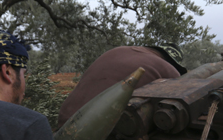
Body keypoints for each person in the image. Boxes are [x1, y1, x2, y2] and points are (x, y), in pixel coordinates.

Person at [57, 43, 187, 127]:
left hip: (64, 120)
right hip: (94, 135)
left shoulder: (118, 50)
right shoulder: (170, 70)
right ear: (173, 63)